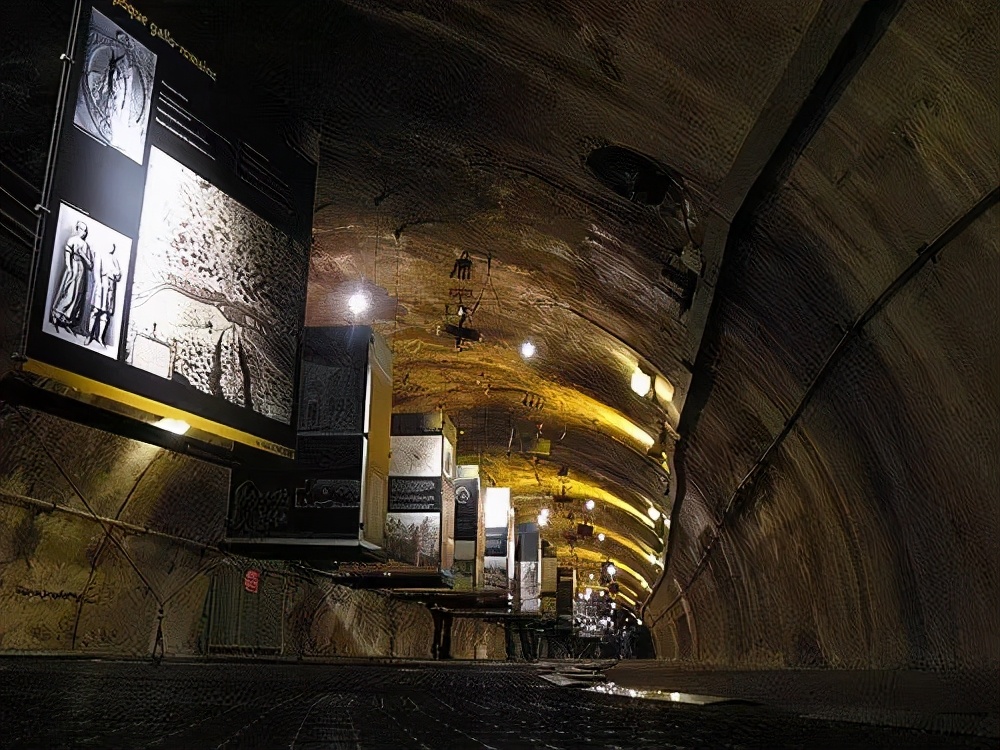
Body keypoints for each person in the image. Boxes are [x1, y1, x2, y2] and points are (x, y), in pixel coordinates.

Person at [50, 221, 93, 334]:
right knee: (68, 291)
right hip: (73, 266)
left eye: (85, 231)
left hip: (81, 269)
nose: (84, 233)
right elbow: (68, 253)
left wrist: (83, 256)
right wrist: (69, 267)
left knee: (76, 294)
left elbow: (89, 263)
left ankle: (65, 317)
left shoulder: (85, 245)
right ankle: (57, 313)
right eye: (83, 230)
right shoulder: (72, 240)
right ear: (78, 229)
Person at [87, 241, 121, 346]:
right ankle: (89, 335)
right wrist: (99, 284)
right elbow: (96, 271)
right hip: (102, 284)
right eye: (109, 245)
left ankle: (100, 337)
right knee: (95, 310)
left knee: (105, 314)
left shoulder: (114, 259)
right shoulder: (100, 254)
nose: (111, 248)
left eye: (113, 246)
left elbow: (119, 275)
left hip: (111, 286)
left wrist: (116, 275)